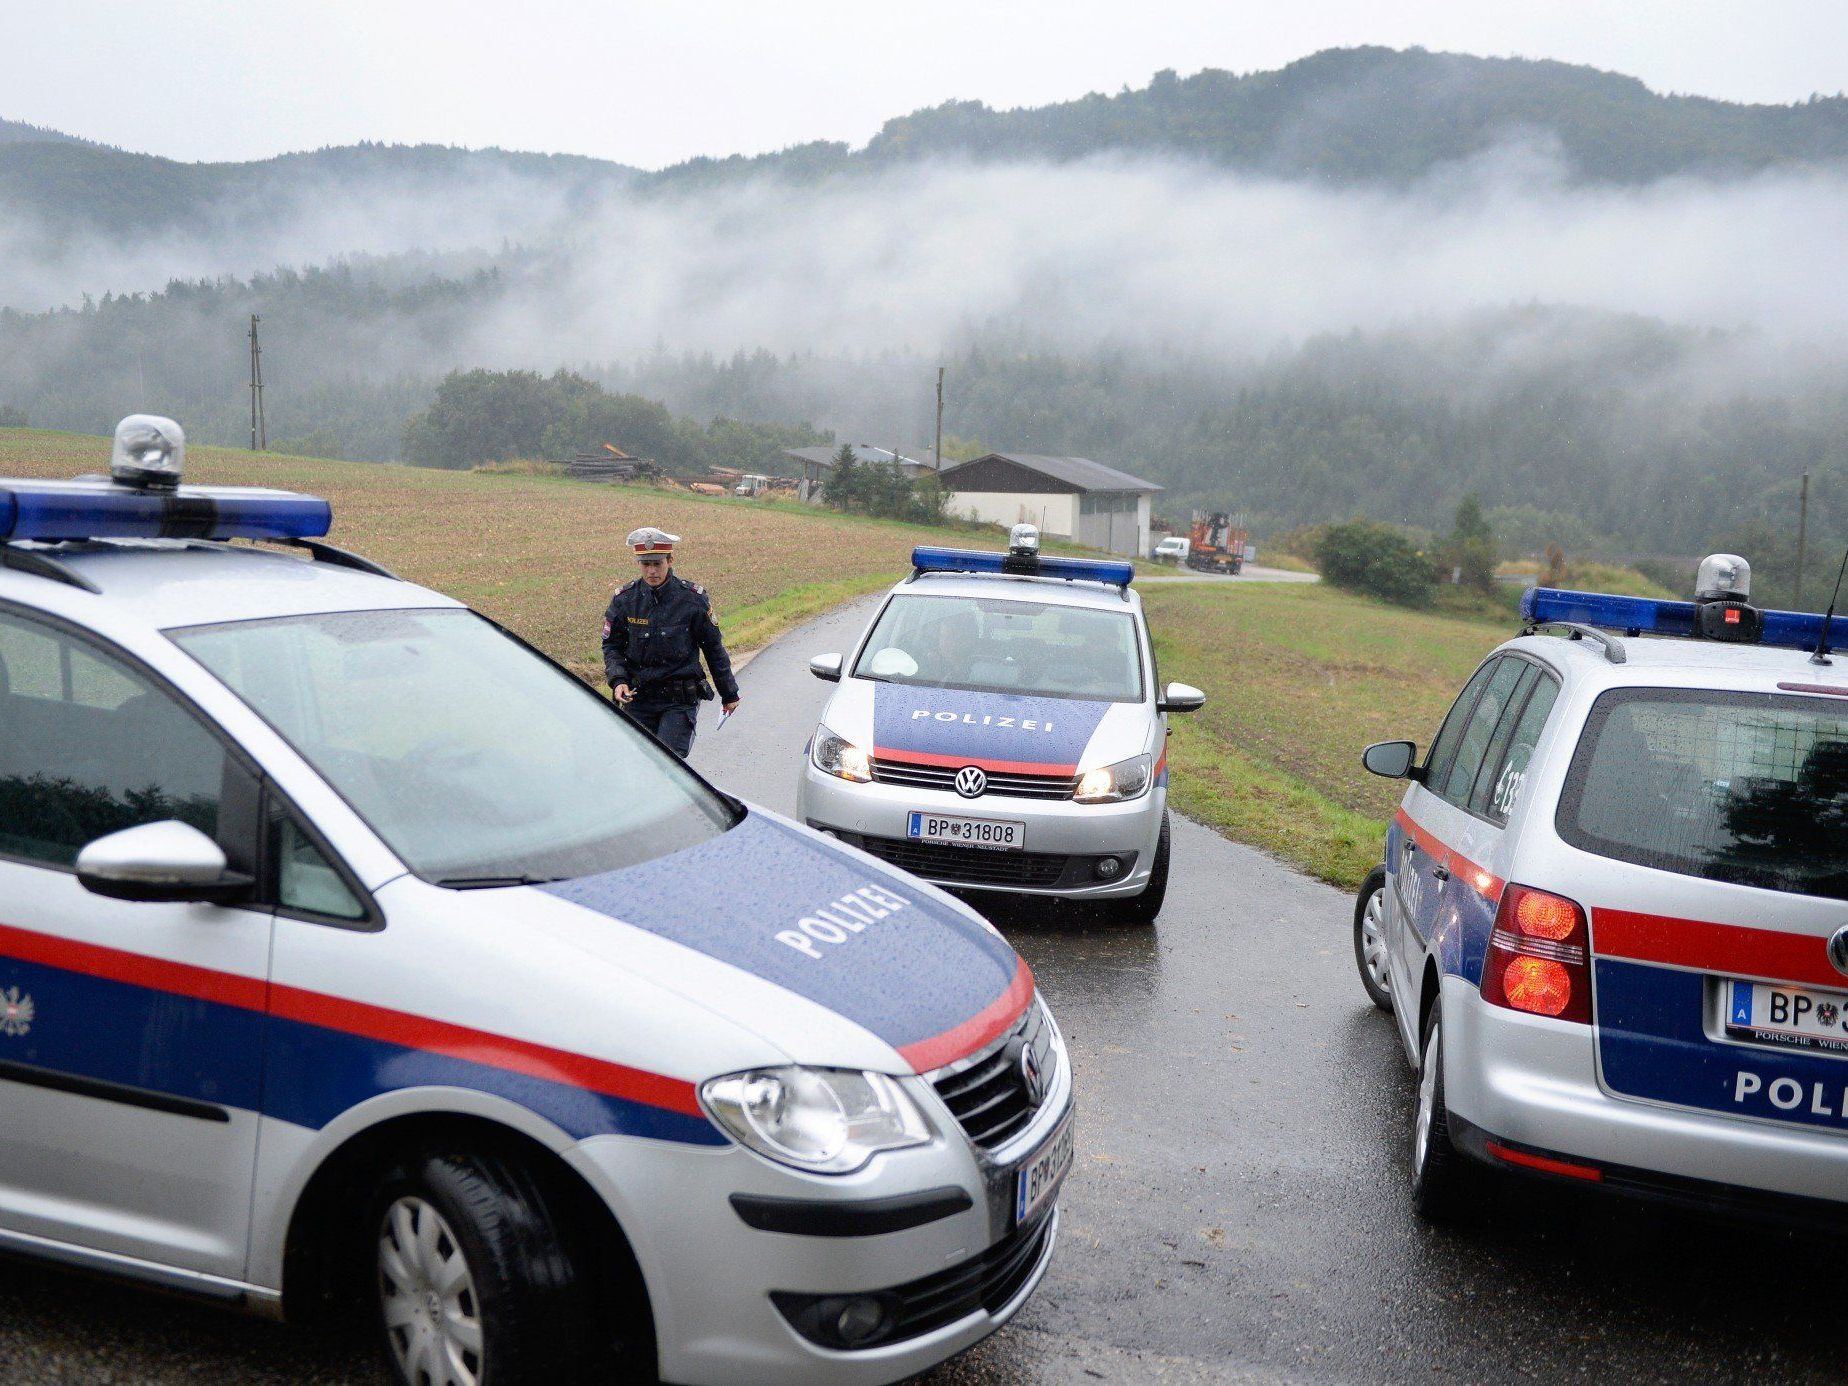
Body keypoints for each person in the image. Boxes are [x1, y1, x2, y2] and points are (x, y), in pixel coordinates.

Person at [601, 527, 739, 757]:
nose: (652, 571)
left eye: (658, 563)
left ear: (670, 560)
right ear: (639, 564)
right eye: (646, 565)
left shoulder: (692, 600)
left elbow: (713, 649)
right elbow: (612, 645)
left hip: (678, 700)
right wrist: (618, 680)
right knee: (635, 762)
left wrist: (729, 694)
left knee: (668, 762)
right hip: (638, 697)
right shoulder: (625, 600)